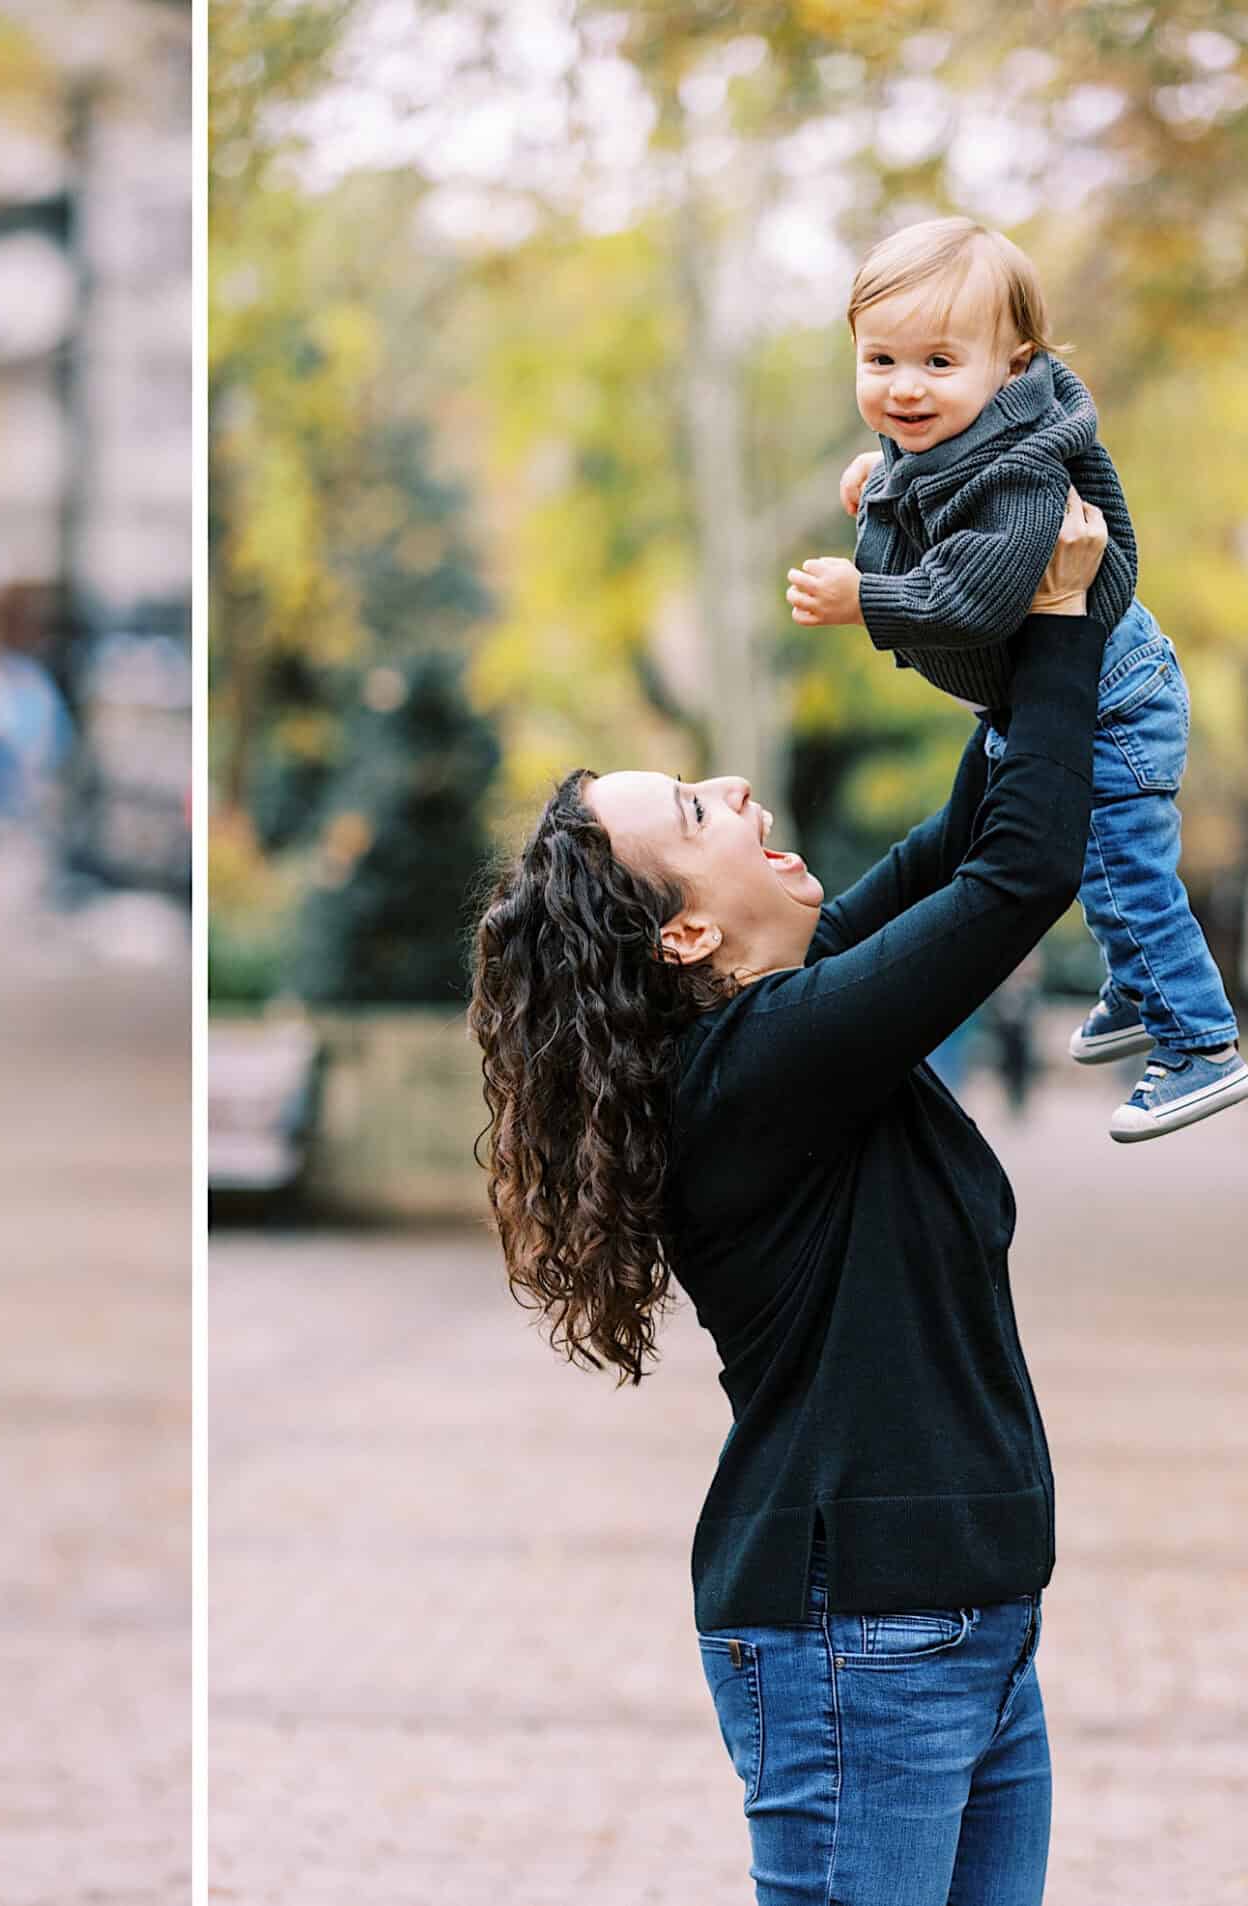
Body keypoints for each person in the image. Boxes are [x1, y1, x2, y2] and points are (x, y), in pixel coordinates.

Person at [469, 496, 1110, 1905]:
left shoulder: (794, 1030)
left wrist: (1019, 602)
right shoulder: (757, 1069)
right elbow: (1022, 876)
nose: (744, 795)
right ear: (688, 928)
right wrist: (1055, 623)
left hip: (966, 1621)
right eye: (699, 813)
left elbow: (960, 843)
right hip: (860, 1636)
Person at [788, 216, 1248, 1142]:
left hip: (1113, 700)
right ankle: (1135, 993)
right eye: (879, 362)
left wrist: (866, 598)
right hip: (1069, 694)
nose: (905, 388)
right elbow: (925, 462)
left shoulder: (1024, 474)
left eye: (938, 363)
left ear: (1012, 367)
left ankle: (1200, 1048)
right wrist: (872, 474)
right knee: (1101, 863)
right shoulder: (954, 432)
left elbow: (973, 598)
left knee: (1123, 870)